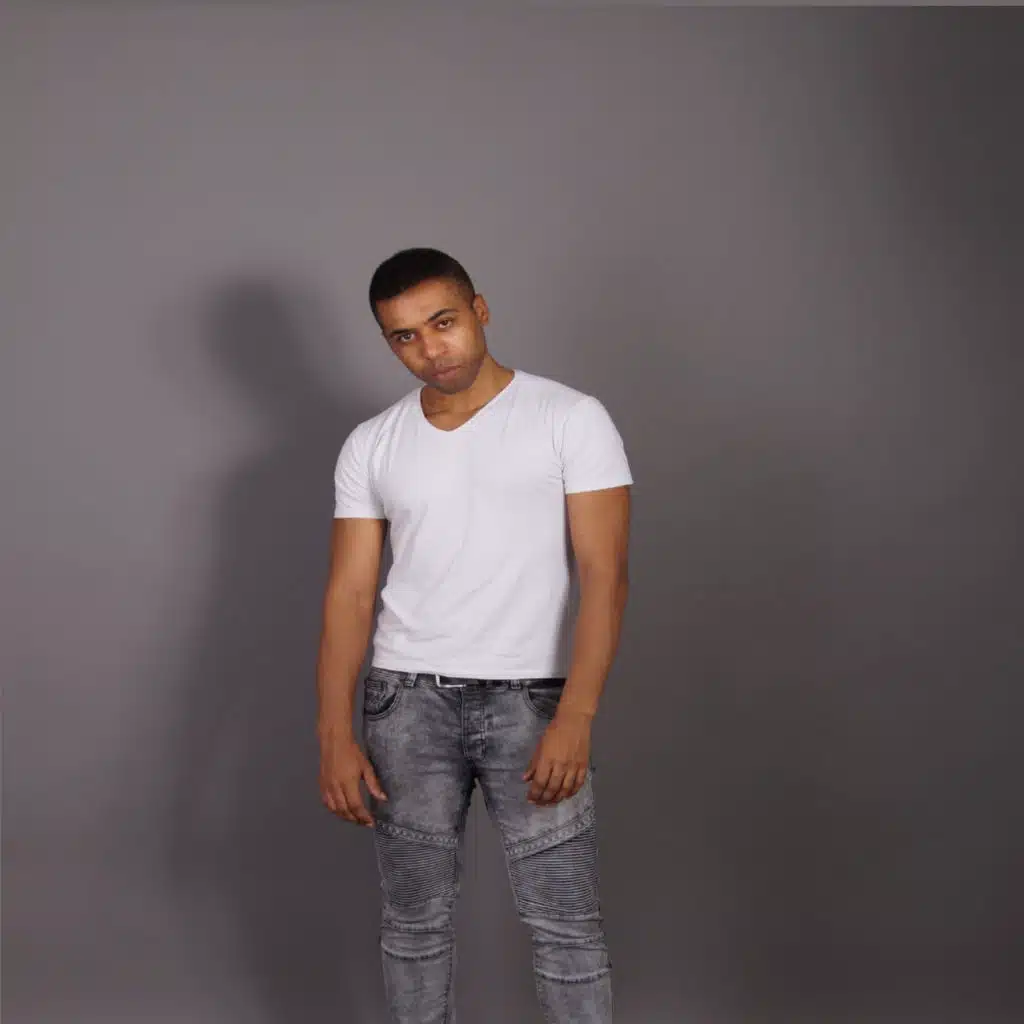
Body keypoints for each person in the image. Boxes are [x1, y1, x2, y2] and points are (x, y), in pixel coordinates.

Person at [316, 247, 632, 1023]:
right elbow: (350, 595)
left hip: (533, 698)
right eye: (405, 336)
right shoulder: (372, 442)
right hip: (405, 704)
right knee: (413, 924)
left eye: (443, 322)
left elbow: (605, 575)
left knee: (565, 924)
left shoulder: (570, 418)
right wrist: (334, 733)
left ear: (480, 310)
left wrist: (577, 714)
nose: (431, 349)